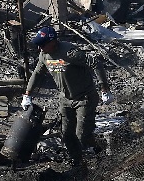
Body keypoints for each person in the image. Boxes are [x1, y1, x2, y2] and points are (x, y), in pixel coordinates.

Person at [21, 26, 113, 167]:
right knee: (66, 135)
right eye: (38, 45)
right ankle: (77, 162)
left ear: (53, 42)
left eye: (43, 44)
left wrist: (104, 89)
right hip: (65, 99)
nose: (40, 48)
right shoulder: (44, 55)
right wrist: (27, 94)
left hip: (84, 98)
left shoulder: (70, 53)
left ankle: (98, 149)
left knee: (81, 135)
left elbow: (95, 63)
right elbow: (37, 73)